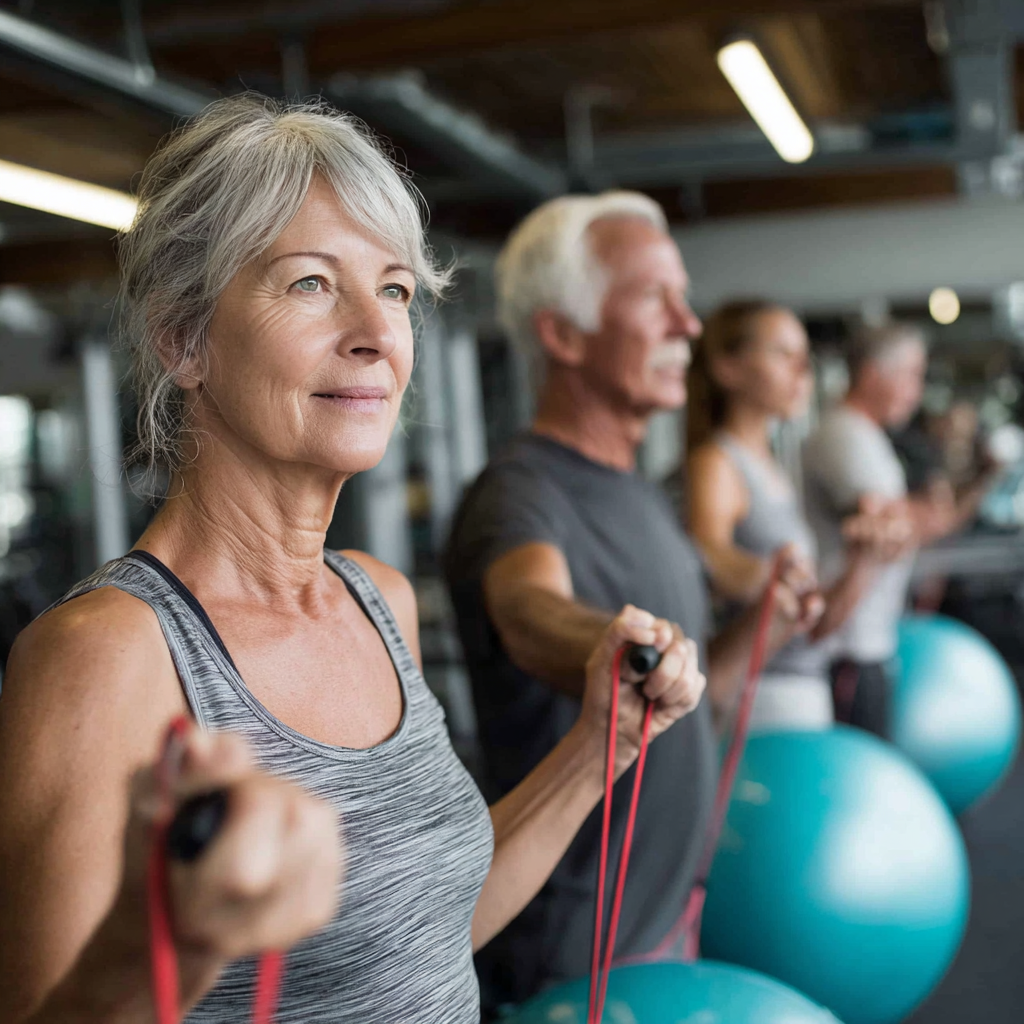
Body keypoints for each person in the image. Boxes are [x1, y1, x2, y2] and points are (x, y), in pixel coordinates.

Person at [0, 97, 706, 1024]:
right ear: (183, 339)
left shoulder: (379, 599)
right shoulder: (104, 655)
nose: (375, 330)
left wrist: (598, 748)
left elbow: (421, 933)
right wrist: (170, 947)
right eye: (310, 284)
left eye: (397, 289)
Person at [444, 193, 822, 1014]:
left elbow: (694, 697)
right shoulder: (519, 496)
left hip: (665, 924)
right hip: (573, 953)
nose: (689, 325)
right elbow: (527, 612)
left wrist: (763, 628)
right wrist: (606, 641)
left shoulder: (644, 497)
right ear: (563, 334)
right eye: (656, 297)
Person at [685, 300, 907, 731]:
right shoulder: (716, 463)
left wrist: (864, 559)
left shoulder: (775, 469)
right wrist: (773, 573)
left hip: (803, 690)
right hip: (757, 696)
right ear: (727, 368)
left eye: (804, 355)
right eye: (784, 354)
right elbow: (706, 557)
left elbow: (811, 626)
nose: (803, 369)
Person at [802, 321, 930, 737]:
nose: (916, 390)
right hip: (847, 646)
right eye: (911, 375)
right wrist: (919, 516)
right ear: (874, 373)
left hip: (868, 639)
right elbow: (888, 526)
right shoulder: (843, 434)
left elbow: (900, 522)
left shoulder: (866, 435)